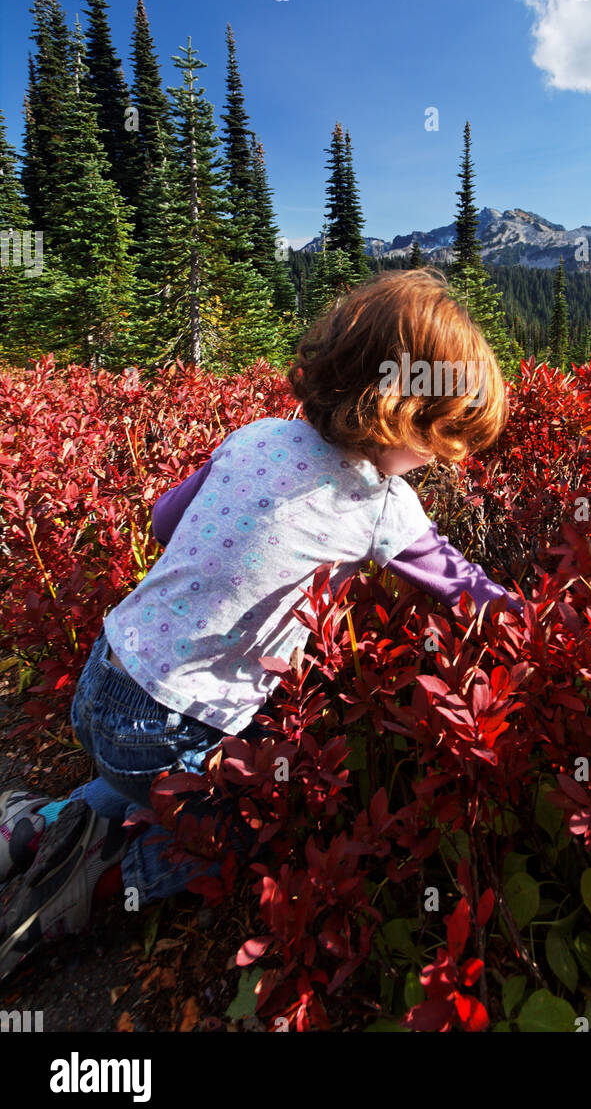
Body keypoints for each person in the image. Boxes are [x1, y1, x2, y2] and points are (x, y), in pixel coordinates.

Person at [0, 269, 521, 981]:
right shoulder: (381, 504)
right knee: (248, 829)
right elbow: (468, 592)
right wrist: (549, 627)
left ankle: (35, 828)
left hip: (104, 678)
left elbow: (161, 522)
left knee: (137, 775)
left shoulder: (256, 435)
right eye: (439, 438)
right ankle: (86, 887)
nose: (442, 457)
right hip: (170, 728)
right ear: (396, 409)